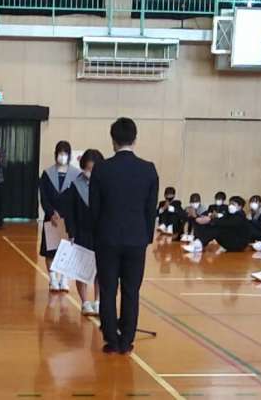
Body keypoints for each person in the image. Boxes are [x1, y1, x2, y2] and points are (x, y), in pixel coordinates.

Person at [90, 118, 159, 354]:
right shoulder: (148, 169)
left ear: (113, 140)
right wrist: (146, 237)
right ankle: (127, 340)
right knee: (131, 291)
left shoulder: (102, 169)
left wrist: (97, 235)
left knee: (108, 289)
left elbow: (94, 208)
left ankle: (111, 339)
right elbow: (151, 210)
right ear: (135, 139)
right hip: (136, 239)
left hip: (107, 238)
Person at [63, 149, 104, 316]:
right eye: (87, 169)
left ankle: (98, 301)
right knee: (82, 269)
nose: (90, 172)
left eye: (93, 169)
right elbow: (70, 212)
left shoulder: (105, 185)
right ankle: (85, 302)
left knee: (101, 270)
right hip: (81, 233)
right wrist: (71, 232)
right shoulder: (75, 185)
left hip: (101, 234)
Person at [39, 141, 80, 292]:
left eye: (65, 153)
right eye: (60, 153)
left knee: (67, 250)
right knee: (50, 251)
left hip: (69, 219)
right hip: (52, 219)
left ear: (69, 155)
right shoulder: (47, 174)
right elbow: (44, 197)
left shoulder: (76, 175)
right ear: (56, 154)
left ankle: (64, 279)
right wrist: (51, 212)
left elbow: (78, 198)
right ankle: (53, 279)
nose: (62, 156)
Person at [183, 196, 250, 253]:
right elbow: (221, 220)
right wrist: (207, 219)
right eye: (229, 204)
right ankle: (198, 243)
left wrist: (210, 220)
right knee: (212, 225)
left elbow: (227, 223)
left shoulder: (240, 216)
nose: (230, 206)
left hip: (238, 244)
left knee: (217, 228)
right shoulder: (229, 214)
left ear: (240, 206)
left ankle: (198, 245)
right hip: (231, 241)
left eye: (233, 204)